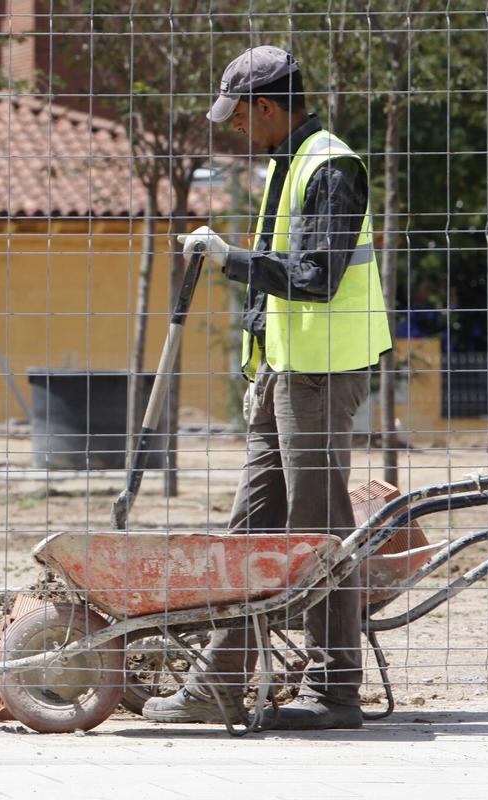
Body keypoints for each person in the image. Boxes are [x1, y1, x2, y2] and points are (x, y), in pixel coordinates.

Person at [142, 45, 392, 730]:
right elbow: (281, 281)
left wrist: (230, 260)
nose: (235, 130)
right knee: (251, 526)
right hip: (284, 369)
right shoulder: (287, 161)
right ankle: (220, 681)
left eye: (240, 116)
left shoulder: (330, 167)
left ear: (270, 107)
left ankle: (334, 689)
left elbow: (315, 275)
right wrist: (257, 360)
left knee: (317, 531)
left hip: (320, 371)